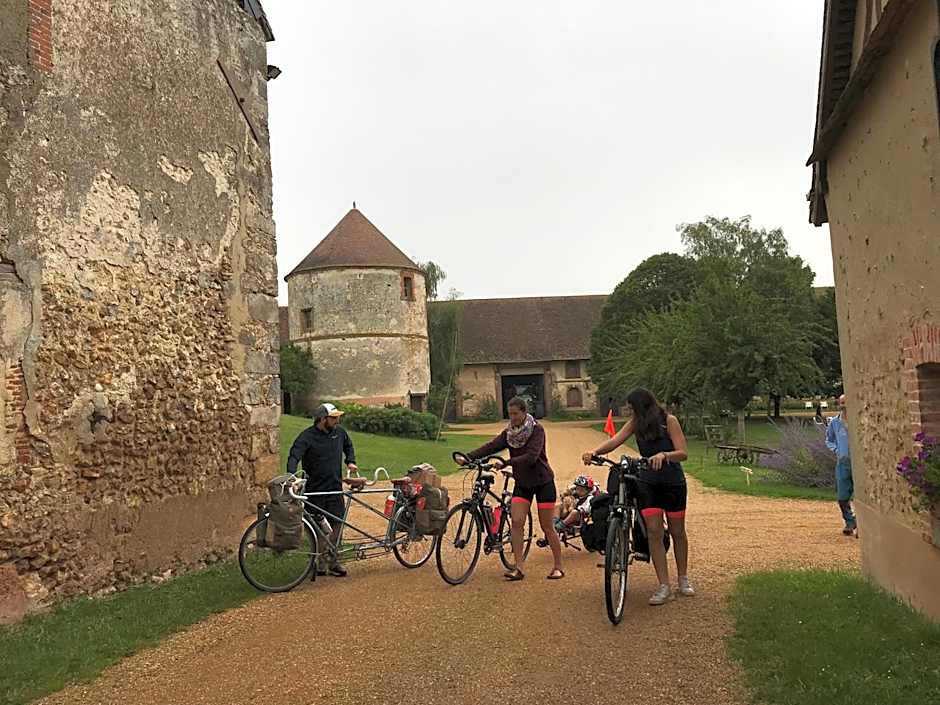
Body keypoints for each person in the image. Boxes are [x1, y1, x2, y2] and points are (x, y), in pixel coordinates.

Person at [581, 388, 694, 606]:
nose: (629, 411)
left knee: (678, 531)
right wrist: (594, 452)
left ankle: (683, 578)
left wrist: (664, 455)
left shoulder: (668, 421)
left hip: (673, 482)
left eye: (632, 407)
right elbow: (615, 440)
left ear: (642, 406)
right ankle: (664, 585)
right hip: (648, 483)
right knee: (654, 532)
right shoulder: (636, 423)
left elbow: (683, 452)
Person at [460, 396, 564, 580]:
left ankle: (558, 566)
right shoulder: (509, 433)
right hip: (523, 483)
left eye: (516, 413)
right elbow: (492, 446)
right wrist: (468, 457)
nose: (513, 417)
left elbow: (531, 456)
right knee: (516, 522)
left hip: (543, 482)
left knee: (547, 526)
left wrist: (506, 462)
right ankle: (519, 567)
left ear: (524, 412)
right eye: (510, 414)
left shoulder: (537, 430)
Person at [286, 403, 359, 576]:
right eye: (333, 418)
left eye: (337, 417)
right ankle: (319, 562)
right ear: (322, 419)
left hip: (334, 488)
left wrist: (350, 460)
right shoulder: (307, 437)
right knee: (318, 527)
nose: (337, 420)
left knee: (337, 524)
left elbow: (348, 446)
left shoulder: (339, 433)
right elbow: (294, 455)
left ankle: (333, 560)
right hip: (315, 490)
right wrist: (291, 475)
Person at [826, 394, 857, 537]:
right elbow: (829, 440)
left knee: (861, 497)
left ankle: (862, 524)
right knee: (842, 497)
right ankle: (850, 521)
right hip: (843, 462)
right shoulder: (835, 422)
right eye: (841, 403)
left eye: (846, 402)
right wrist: (837, 450)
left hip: (859, 464)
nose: (843, 405)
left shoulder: (857, 420)